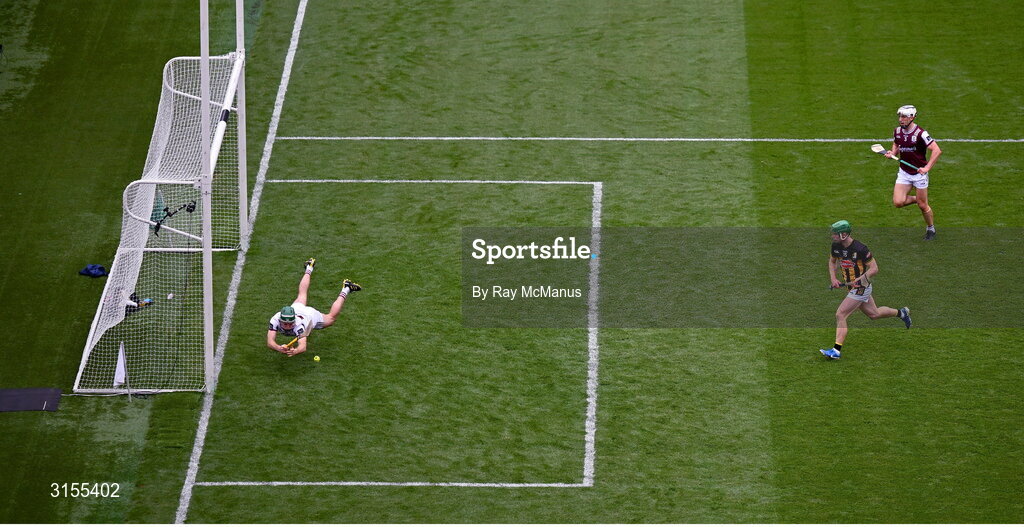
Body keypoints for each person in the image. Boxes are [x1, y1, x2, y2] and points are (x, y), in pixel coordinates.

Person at [819, 220, 912, 359]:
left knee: (840, 314)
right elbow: (832, 261)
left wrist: (862, 278)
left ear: (844, 234)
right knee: (874, 314)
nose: (833, 236)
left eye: (835, 234)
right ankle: (902, 313)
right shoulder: (836, 246)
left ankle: (836, 350)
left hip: (861, 288)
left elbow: (874, 268)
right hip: (851, 287)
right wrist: (833, 278)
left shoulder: (861, 249)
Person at [267, 258, 361, 357]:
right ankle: (309, 267)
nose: (287, 326)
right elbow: (270, 342)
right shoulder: (275, 319)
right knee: (301, 295)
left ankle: (346, 288)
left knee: (331, 318)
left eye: (290, 324)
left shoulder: (300, 326)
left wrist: (296, 351)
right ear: (280, 320)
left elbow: (303, 347)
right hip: (297, 309)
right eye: (285, 324)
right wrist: (279, 348)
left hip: (310, 316)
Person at [886, 105, 942, 240]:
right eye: (900, 116)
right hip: (904, 172)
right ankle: (919, 199)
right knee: (898, 202)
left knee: (923, 206)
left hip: (919, 174)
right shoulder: (897, 131)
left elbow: (936, 150)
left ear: (912, 117)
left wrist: (927, 168)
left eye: (904, 117)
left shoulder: (921, 133)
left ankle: (931, 228)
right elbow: (897, 143)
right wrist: (893, 152)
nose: (901, 119)